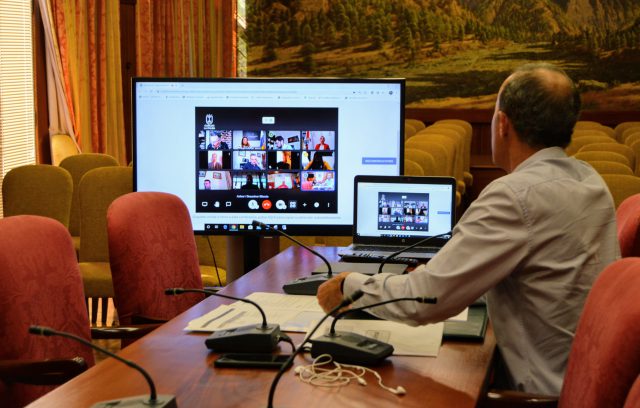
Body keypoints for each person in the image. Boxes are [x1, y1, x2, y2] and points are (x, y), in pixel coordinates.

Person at [317, 63, 619, 395]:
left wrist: (350, 287)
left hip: (537, 394)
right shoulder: (589, 179)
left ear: (503, 124)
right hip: (581, 381)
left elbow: (427, 299)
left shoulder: (515, 196)